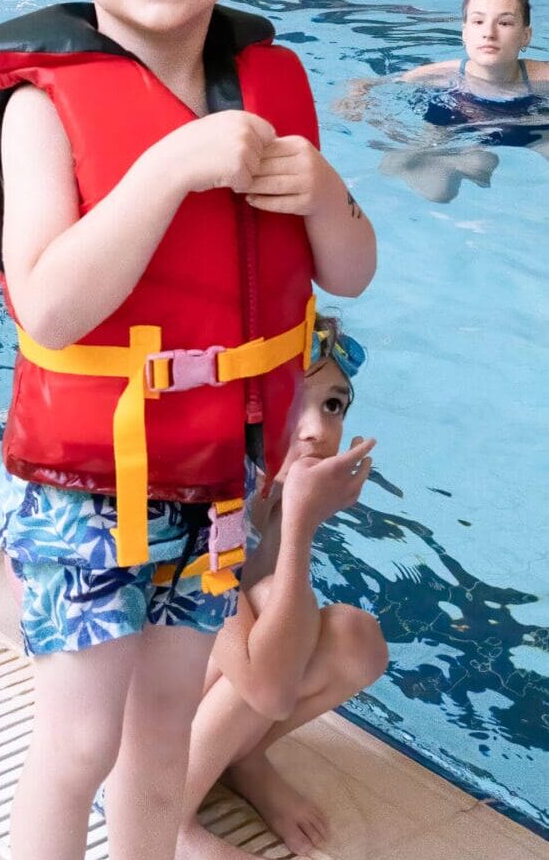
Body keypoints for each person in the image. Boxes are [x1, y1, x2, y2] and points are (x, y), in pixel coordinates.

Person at [0, 0, 376, 860]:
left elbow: (351, 270)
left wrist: (322, 189)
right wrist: (166, 168)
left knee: (157, 741)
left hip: (215, 477)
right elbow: (48, 305)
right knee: (78, 738)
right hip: (80, 486)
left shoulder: (268, 87)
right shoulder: (40, 105)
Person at [178, 314, 385, 860]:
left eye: (333, 405)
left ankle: (240, 761)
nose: (318, 428)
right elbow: (259, 674)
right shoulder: (206, 494)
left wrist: (295, 518)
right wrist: (299, 524)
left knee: (356, 640)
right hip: (127, 727)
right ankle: (167, 818)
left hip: (208, 677)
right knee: (273, 614)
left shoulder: (267, 490)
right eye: (294, 399)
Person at [340, 0, 548, 203]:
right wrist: (356, 97)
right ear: (464, 33)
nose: (489, 33)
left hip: (531, 128)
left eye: (504, 23)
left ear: (525, 36)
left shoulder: (541, 76)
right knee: (438, 191)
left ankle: (475, 161)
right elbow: (368, 83)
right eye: (478, 22)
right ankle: (465, 161)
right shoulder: (444, 74)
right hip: (456, 124)